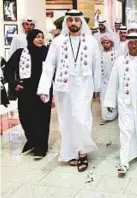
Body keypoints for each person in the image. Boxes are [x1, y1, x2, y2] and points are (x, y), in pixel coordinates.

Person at [37, 10, 101, 172]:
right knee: (66, 120)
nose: (73, 23)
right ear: (66, 22)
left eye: (76, 20)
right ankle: (70, 152)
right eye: (70, 20)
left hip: (84, 86)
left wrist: (98, 88)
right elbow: (49, 65)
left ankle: (82, 152)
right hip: (63, 87)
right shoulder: (57, 42)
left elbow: (97, 66)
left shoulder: (92, 41)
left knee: (82, 118)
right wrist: (44, 88)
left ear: (81, 22)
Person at [104, 32, 137, 175]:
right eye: (131, 43)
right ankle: (124, 161)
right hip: (125, 102)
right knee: (125, 130)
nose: (134, 45)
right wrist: (110, 102)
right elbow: (113, 82)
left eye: (136, 42)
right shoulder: (120, 61)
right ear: (127, 44)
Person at [6, 29, 52, 159]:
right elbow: (8, 69)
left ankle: (41, 147)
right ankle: (32, 141)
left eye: (42, 37)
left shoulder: (48, 53)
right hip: (26, 91)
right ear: (31, 38)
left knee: (42, 119)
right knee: (26, 118)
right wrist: (14, 83)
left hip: (43, 90)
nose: (40, 39)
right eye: (37, 37)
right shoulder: (20, 53)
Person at [99, 35, 118, 124]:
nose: (105, 45)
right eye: (104, 43)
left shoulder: (116, 53)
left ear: (111, 43)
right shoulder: (100, 54)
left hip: (113, 81)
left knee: (113, 97)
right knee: (103, 98)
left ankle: (114, 114)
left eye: (107, 42)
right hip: (103, 81)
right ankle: (106, 116)